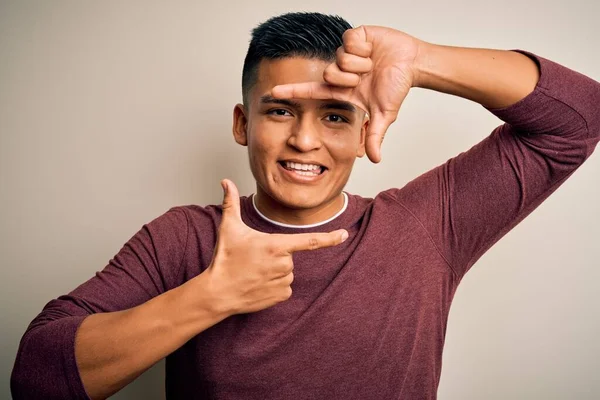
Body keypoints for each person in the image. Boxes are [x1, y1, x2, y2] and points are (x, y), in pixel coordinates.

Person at [11, 11, 600, 400]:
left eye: (336, 115)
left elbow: (579, 118)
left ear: (367, 125)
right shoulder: (184, 239)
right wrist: (209, 297)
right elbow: (37, 376)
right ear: (243, 124)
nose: (304, 141)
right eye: (280, 110)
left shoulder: (425, 228)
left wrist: (422, 60)